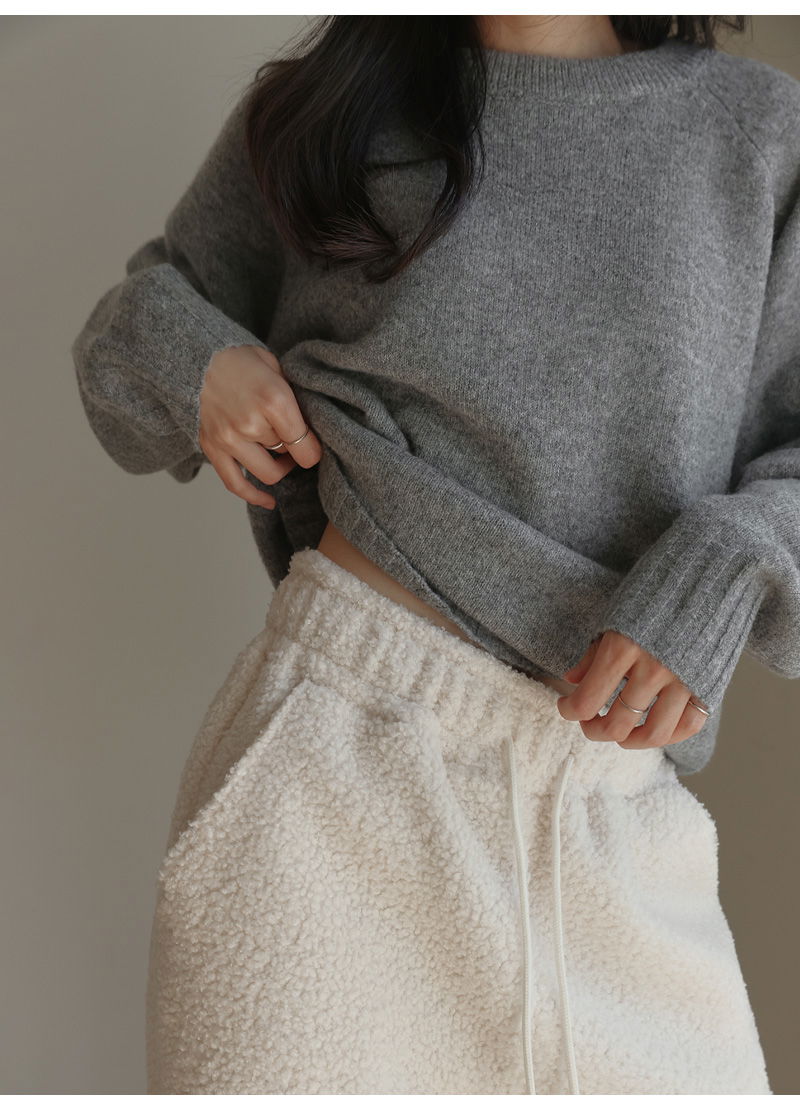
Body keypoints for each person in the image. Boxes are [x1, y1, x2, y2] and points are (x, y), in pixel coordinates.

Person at [71, 14, 799, 1095]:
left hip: (611, 811)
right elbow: (129, 332)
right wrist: (200, 363)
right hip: (332, 780)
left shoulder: (758, 135)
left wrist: (729, 558)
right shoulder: (327, 113)